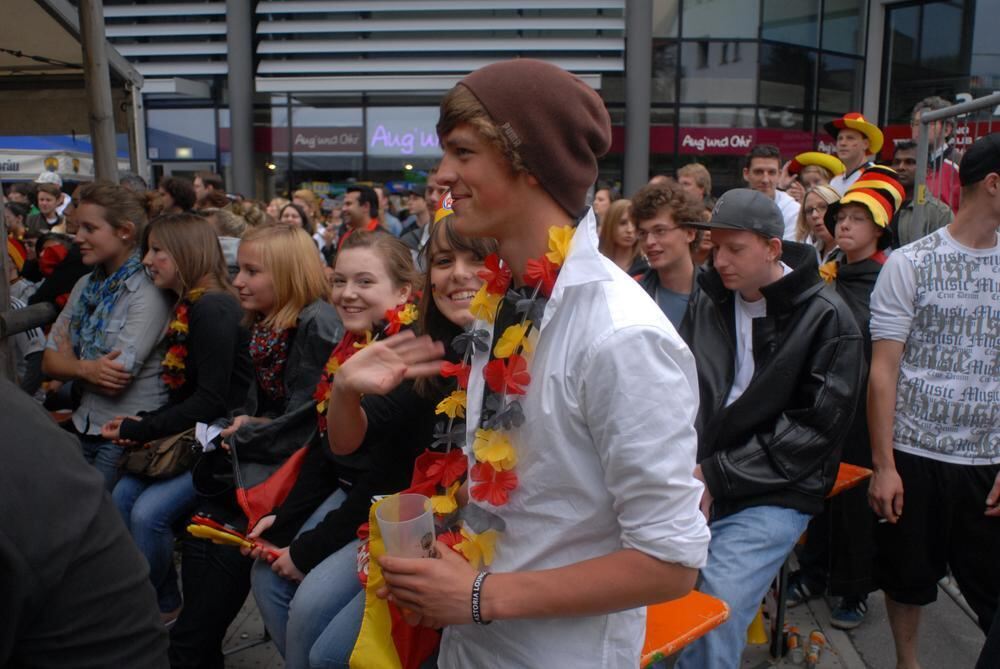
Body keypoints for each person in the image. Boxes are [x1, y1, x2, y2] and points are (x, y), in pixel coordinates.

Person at [377, 58, 710, 667]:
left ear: (527, 161)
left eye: (462, 152)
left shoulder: (622, 334)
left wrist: (480, 594)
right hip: (473, 644)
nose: (443, 175)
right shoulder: (503, 298)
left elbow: (671, 562)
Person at [676, 188, 864, 668]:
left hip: (776, 489)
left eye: (733, 248)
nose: (719, 260)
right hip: (700, 475)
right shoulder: (711, 297)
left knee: (713, 607)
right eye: (714, 247)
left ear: (773, 248)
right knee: (648, 596)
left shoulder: (828, 316)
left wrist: (712, 476)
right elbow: (678, 385)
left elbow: (812, 433)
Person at [249, 230, 439, 668]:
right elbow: (324, 448)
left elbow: (381, 478)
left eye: (364, 282)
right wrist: (286, 520)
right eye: (338, 281)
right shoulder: (354, 341)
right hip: (349, 493)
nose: (347, 294)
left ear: (404, 291)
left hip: (383, 506)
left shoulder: (407, 355)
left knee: (310, 618)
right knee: (266, 574)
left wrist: (305, 550)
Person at [167, 223, 343, 669]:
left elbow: (309, 418)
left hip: (288, 484)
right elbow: (261, 406)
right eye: (238, 269)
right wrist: (240, 426)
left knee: (204, 574)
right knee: (195, 541)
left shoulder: (317, 322)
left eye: (251, 271)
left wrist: (246, 429)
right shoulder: (263, 321)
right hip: (257, 471)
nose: (238, 281)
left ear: (286, 274)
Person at [867, 133, 1000, 669]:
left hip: (987, 464)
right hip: (916, 454)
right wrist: (884, 465)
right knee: (908, 578)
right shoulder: (910, 263)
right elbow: (884, 370)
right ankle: (908, 662)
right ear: (993, 184)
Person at [101, 214, 253, 626]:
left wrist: (140, 428)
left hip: (219, 443)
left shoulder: (214, 306)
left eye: (157, 250)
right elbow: (189, 393)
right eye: (147, 249)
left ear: (186, 252)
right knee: (121, 499)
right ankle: (160, 600)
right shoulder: (191, 302)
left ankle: (162, 609)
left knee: (149, 515)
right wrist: (145, 422)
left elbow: (211, 399)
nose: (148, 260)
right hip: (192, 433)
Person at [790, 166, 905, 630]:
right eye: (841, 217)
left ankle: (853, 589)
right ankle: (814, 573)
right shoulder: (826, 270)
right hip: (823, 401)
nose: (843, 224)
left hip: (864, 407)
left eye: (857, 218)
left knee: (857, 500)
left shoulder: (889, 276)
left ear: (879, 228)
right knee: (817, 492)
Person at [0, 377, 169, 668]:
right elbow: (55, 363)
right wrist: (84, 369)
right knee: (128, 501)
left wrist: (138, 427)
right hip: (104, 426)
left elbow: (120, 373)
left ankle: (169, 603)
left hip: (173, 439)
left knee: (146, 514)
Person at [42, 181, 171, 490]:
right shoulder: (85, 284)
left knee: (98, 524)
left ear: (124, 231)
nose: (78, 236)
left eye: (89, 228)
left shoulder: (148, 290)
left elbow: (116, 378)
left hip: (125, 435)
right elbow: (48, 361)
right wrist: (86, 368)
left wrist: (70, 363)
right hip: (83, 422)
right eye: (78, 227)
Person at [633, 181, 704, 332]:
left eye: (660, 231)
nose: (649, 242)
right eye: (643, 233)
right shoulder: (632, 292)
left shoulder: (719, 296)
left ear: (690, 233)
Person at [889, 140, 953, 248]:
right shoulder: (882, 204)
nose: (901, 167)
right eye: (896, 162)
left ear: (927, 170)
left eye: (909, 162)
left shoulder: (940, 213)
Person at [911, 96, 961, 212]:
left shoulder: (959, 165)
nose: (919, 129)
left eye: (928, 123)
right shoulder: (907, 164)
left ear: (947, 130)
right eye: (916, 123)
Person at [742, 144, 800, 240]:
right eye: (758, 172)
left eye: (772, 172)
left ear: (779, 175)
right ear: (746, 174)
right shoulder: (733, 205)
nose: (765, 180)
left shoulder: (792, 211)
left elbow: (790, 253)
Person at [826, 112, 882, 195]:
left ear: (865, 144)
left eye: (850, 138)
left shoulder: (876, 176)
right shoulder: (835, 181)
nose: (843, 143)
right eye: (840, 138)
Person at [401, 170, 448, 270]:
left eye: (441, 191)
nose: (433, 197)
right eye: (430, 190)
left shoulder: (470, 239)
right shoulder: (408, 241)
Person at [597, 198, 646, 275]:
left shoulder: (647, 270)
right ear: (610, 225)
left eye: (634, 223)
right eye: (623, 223)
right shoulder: (595, 264)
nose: (630, 230)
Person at [794, 184, 841, 261]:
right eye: (809, 210)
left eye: (823, 207)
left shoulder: (851, 252)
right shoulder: (808, 255)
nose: (814, 215)